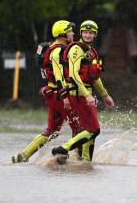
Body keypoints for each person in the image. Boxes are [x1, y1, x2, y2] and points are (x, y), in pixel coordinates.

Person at [12, 20, 81, 163]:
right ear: (62, 34)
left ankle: (24, 155)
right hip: (60, 95)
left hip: (52, 95)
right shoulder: (58, 50)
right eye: (70, 31)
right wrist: (66, 96)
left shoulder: (53, 48)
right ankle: (79, 160)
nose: (73, 33)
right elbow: (59, 75)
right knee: (79, 128)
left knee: (52, 130)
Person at [51, 20, 114, 163]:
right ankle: (63, 149)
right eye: (85, 32)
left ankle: (86, 163)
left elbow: (95, 77)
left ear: (95, 35)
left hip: (87, 95)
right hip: (78, 95)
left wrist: (105, 95)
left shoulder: (92, 52)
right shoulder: (76, 49)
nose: (87, 35)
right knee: (94, 130)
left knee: (90, 132)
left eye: (91, 33)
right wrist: (86, 95)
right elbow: (73, 74)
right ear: (81, 33)